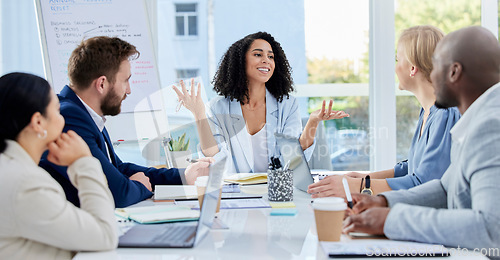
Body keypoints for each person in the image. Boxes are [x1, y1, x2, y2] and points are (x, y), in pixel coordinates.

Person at [343, 26, 500, 254]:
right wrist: (385, 202)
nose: (431, 74)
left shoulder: (491, 127)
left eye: (435, 64)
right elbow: (446, 189)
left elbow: (491, 230)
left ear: (454, 72)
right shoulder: (478, 119)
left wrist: (392, 220)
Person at [40, 36, 213, 208]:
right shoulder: (69, 117)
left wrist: (183, 176)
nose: (129, 90)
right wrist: (140, 186)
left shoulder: (83, 112)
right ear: (101, 84)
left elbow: (118, 169)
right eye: (126, 80)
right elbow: (118, 194)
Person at [308, 25, 460, 198]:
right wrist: (365, 177)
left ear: (412, 68)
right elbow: (412, 168)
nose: (395, 68)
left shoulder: (445, 114)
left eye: (398, 60)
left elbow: (424, 183)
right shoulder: (428, 111)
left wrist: (359, 186)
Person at [173, 32, 348, 173]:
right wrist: (198, 114)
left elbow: (292, 157)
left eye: (271, 56)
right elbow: (216, 159)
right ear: (240, 61)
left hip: (276, 193)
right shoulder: (217, 106)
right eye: (258, 54)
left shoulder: (287, 104)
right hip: (235, 196)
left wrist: (313, 122)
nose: (266, 60)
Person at [0, 73, 117, 259]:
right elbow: (105, 235)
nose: (63, 119)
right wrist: (84, 162)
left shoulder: (12, 169)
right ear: (38, 122)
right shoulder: (25, 183)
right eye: (57, 111)